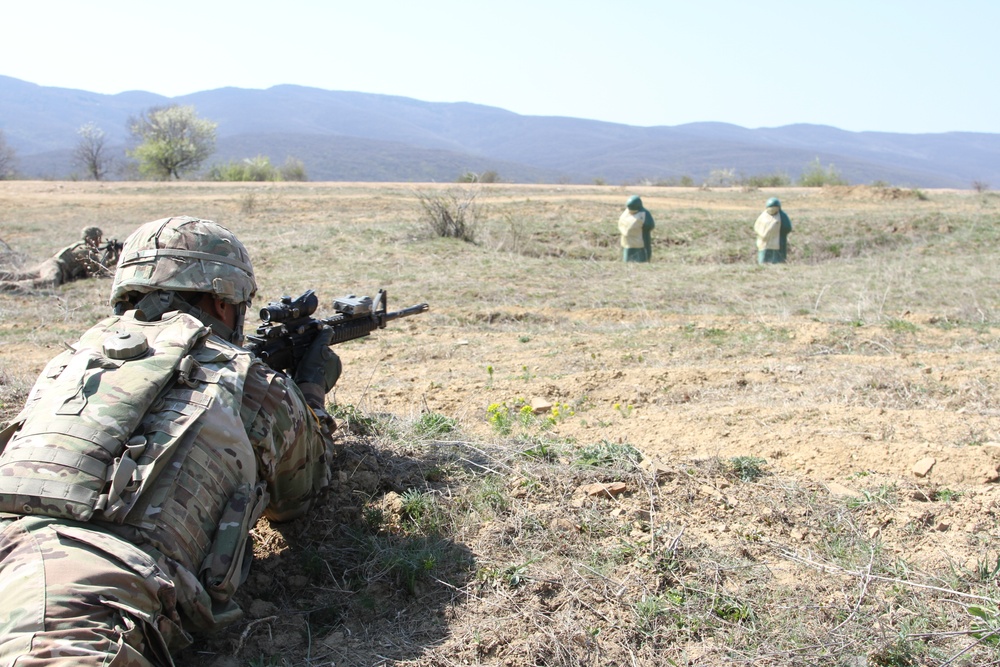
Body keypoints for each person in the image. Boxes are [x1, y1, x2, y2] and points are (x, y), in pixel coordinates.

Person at [0, 216, 340, 666]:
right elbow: (300, 497)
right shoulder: (249, 381)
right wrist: (309, 391)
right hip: (83, 597)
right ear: (223, 302)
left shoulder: (70, 360)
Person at [0, 225, 121, 291]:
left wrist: (111, 260)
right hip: (56, 266)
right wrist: (113, 260)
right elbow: (97, 273)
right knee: (49, 282)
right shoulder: (85, 251)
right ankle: (6, 286)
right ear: (91, 239)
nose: (99, 242)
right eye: (97, 238)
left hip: (50, 263)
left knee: (22, 275)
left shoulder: (80, 247)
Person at [753, 197, 793, 264]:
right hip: (770, 243)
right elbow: (787, 227)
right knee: (769, 259)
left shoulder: (780, 216)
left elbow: (787, 227)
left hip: (773, 243)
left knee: (771, 259)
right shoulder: (764, 216)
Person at [617, 195, 655, 262]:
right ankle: (643, 261)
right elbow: (650, 225)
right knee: (642, 255)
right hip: (640, 241)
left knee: (628, 254)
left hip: (627, 242)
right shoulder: (644, 213)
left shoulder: (625, 213)